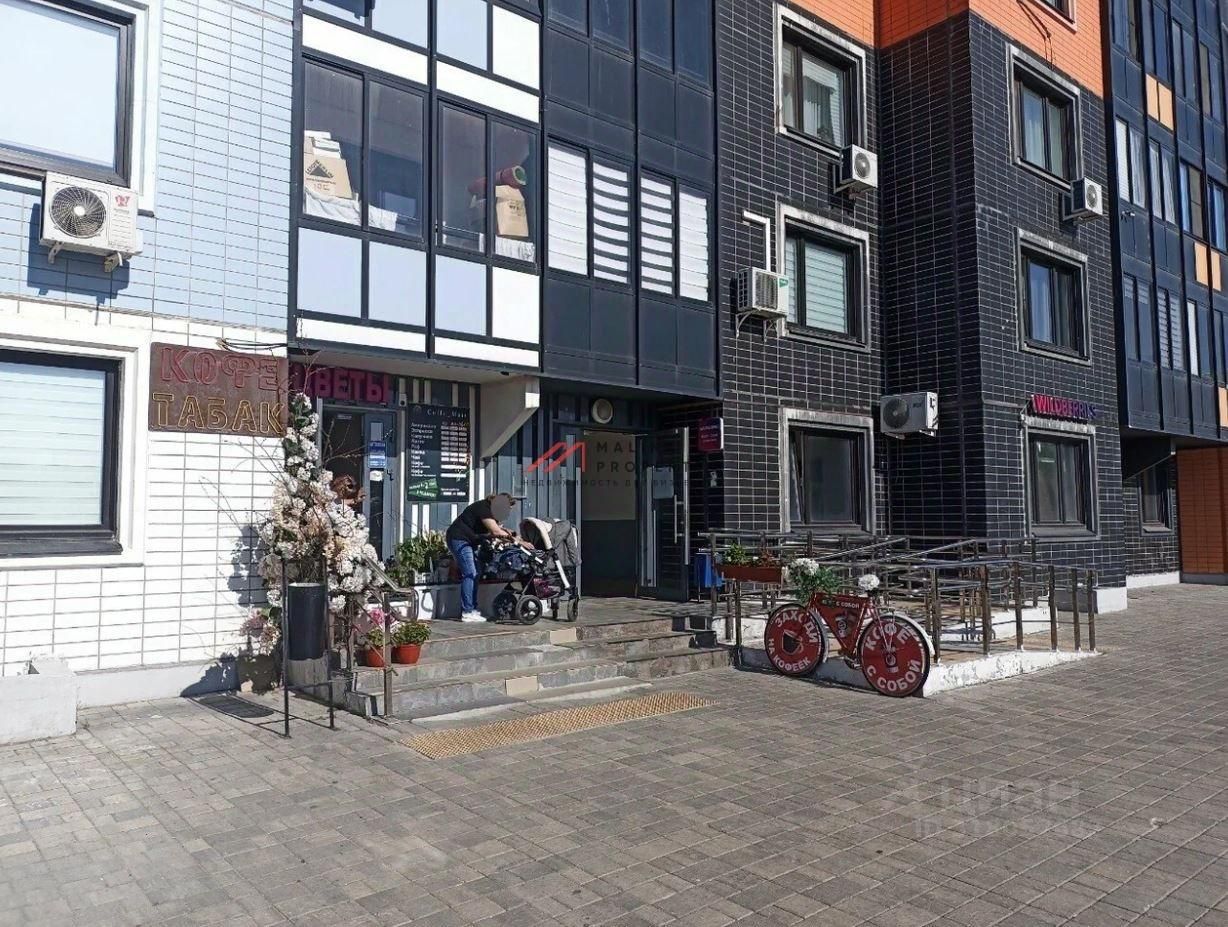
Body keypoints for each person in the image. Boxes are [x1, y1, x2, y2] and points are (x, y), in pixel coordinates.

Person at [445, 492, 530, 623]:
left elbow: (501, 530)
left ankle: (472, 609)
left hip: (470, 541)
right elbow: (496, 531)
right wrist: (519, 543)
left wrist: (515, 536)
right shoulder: (484, 508)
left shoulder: (492, 513)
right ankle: (467, 612)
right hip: (459, 539)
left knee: (476, 573)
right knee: (470, 573)